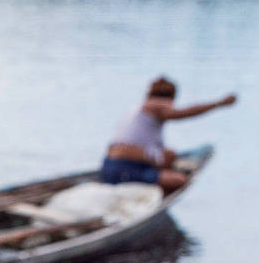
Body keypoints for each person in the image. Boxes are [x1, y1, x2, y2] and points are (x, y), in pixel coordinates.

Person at [101, 77, 237, 192]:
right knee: (179, 180)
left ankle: (154, 184)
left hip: (109, 166)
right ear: (171, 97)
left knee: (169, 155)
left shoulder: (138, 109)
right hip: (124, 169)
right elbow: (184, 113)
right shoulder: (157, 105)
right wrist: (219, 103)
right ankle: (153, 198)